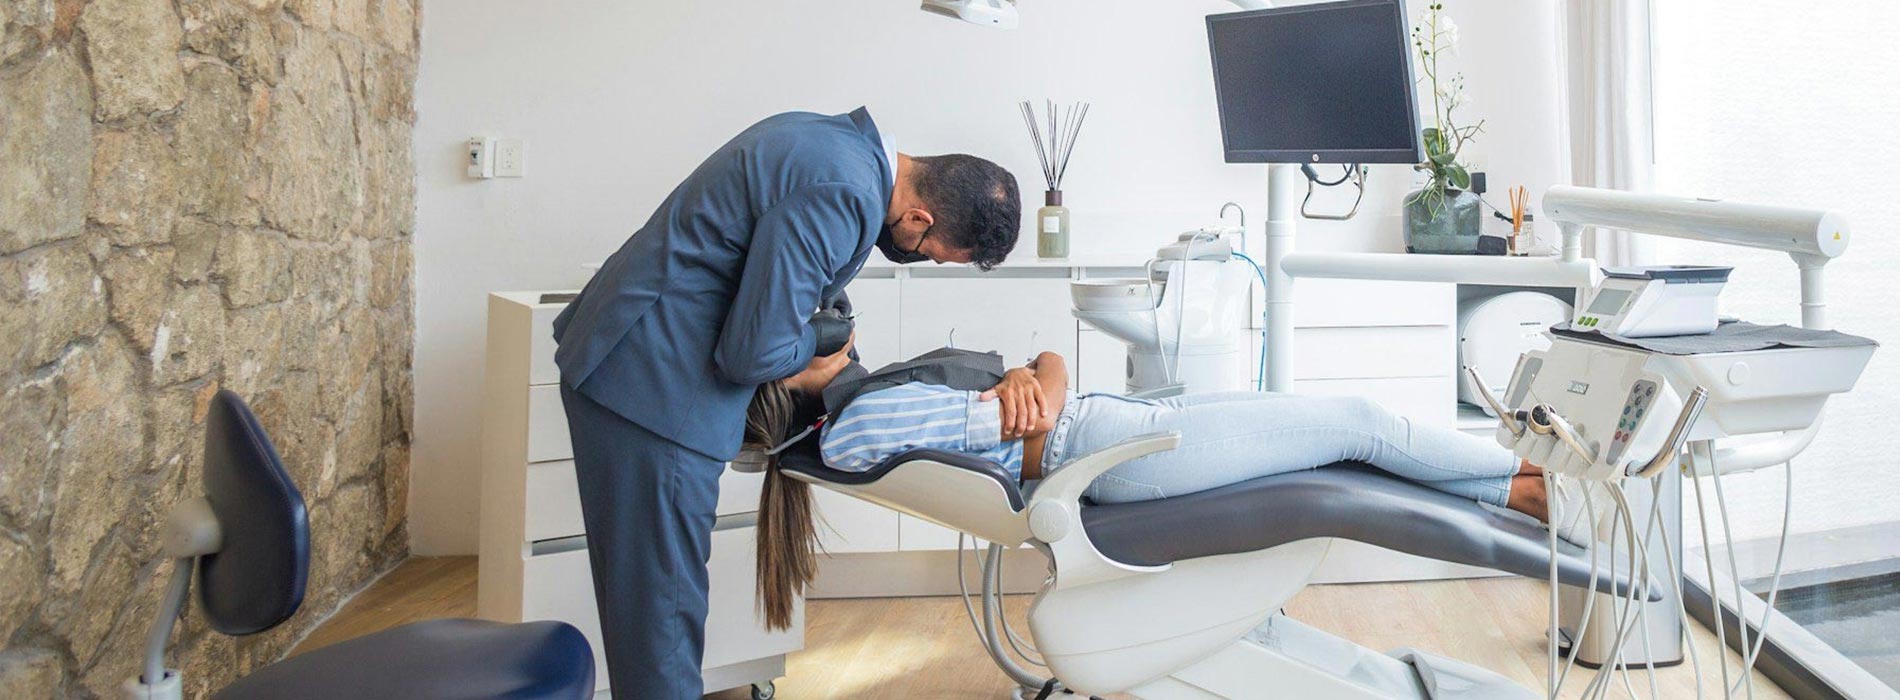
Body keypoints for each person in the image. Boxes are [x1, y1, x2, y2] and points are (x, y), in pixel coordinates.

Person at [552, 107, 1020, 698]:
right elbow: (753, 353)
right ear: (920, 216)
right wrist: (822, 343)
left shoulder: (835, 143)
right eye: (929, 251)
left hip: (632, 361)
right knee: (663, 617)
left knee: (649, 607)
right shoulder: (845, 195)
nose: (919, 256)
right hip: (653, 388)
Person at [742, 349, 1583, 628]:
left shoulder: (860, 404)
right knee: (1353, 423)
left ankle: (1517, 488)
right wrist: (1039, 382)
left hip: (1104, 424)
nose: (830, 320)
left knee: (1336, 436)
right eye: (807, 328)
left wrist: (1042, 376)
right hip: (1107, 456)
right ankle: (1530, 489)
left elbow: (1040, 377)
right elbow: (1025, 421)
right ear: (783, 379)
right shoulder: (856, 428)